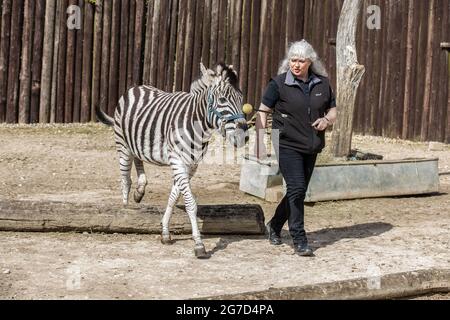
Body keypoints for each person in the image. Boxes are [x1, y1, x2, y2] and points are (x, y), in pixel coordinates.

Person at [255, 40, 337, 256]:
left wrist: (326, 121)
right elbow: (262, 111)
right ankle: (299, 238)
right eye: (293, 60)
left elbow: (333, 111)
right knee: (298, 188)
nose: (296, 65)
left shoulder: (323, 84)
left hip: (312, 145)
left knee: (296, 191)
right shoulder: (278, 84)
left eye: (301, 61)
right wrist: (259, 142)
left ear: (310, 61)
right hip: (287, 143)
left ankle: (274, 225)